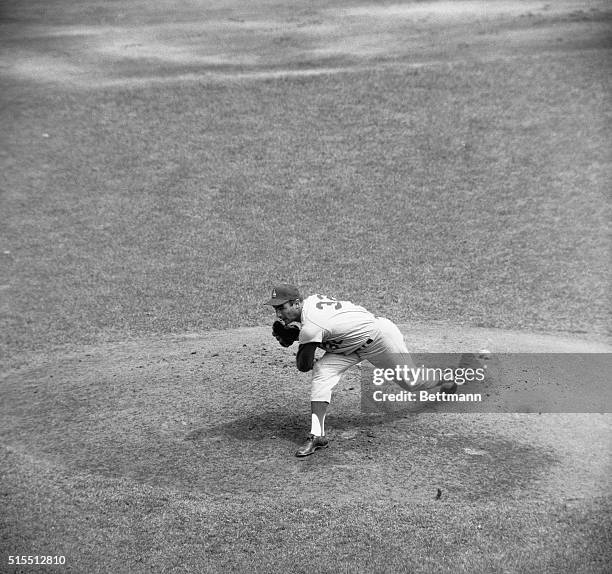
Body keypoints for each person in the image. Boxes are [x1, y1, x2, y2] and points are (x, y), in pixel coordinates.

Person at [265, 283, 457, 457]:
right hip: (347, 346)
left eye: (282, 308)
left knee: (411, 382)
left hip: (379, 339)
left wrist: (296, 339)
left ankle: (446, 377)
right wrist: (299, 337)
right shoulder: (311, 303)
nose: (279, 315)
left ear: (297, 303)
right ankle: (317, 435)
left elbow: (304, 366)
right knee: (323, 372)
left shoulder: (311, 326)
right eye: (276, 309)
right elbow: (332, 329)